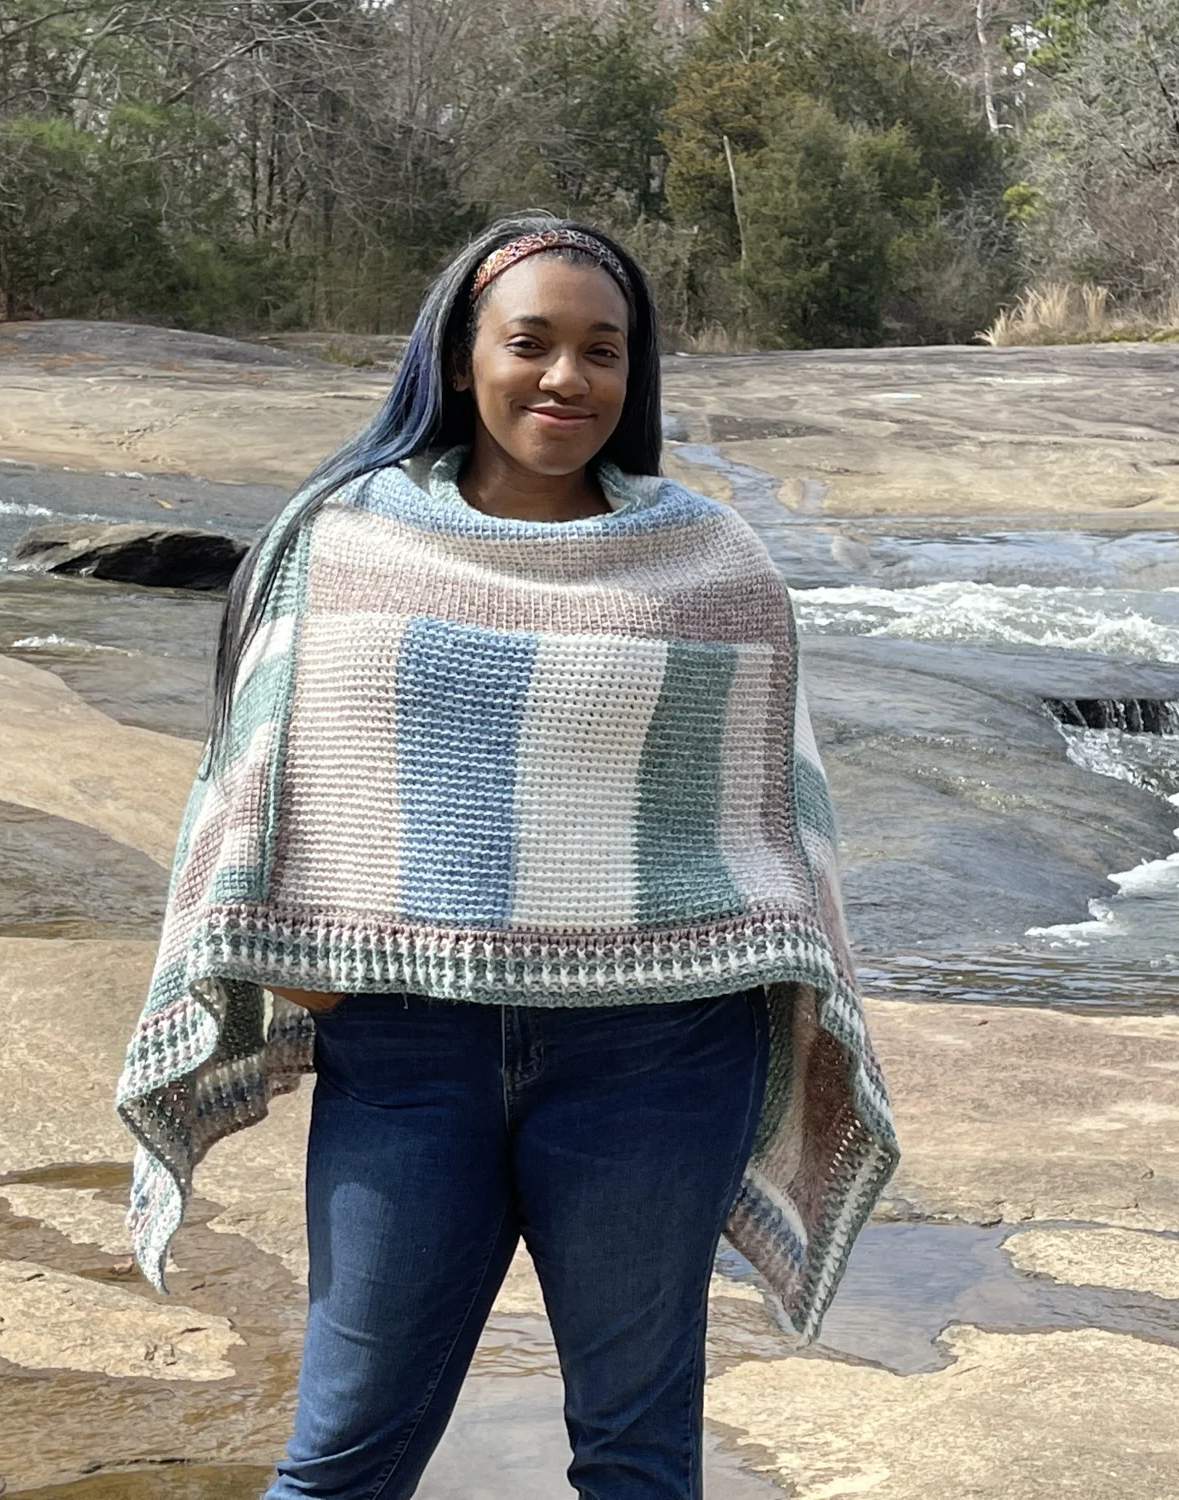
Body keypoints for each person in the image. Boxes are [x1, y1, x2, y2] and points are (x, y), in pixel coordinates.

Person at [114, 215, 897, 1500]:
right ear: (458, 354)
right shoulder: (340, 542)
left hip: (655, 1058)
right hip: (407, 1056)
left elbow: (769, 828)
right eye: (529, 342)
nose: (566, 379)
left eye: (603, 350)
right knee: (342, 1457)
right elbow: (258, 780)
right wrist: (311, 969)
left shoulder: (712, 563)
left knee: (637, 1460)